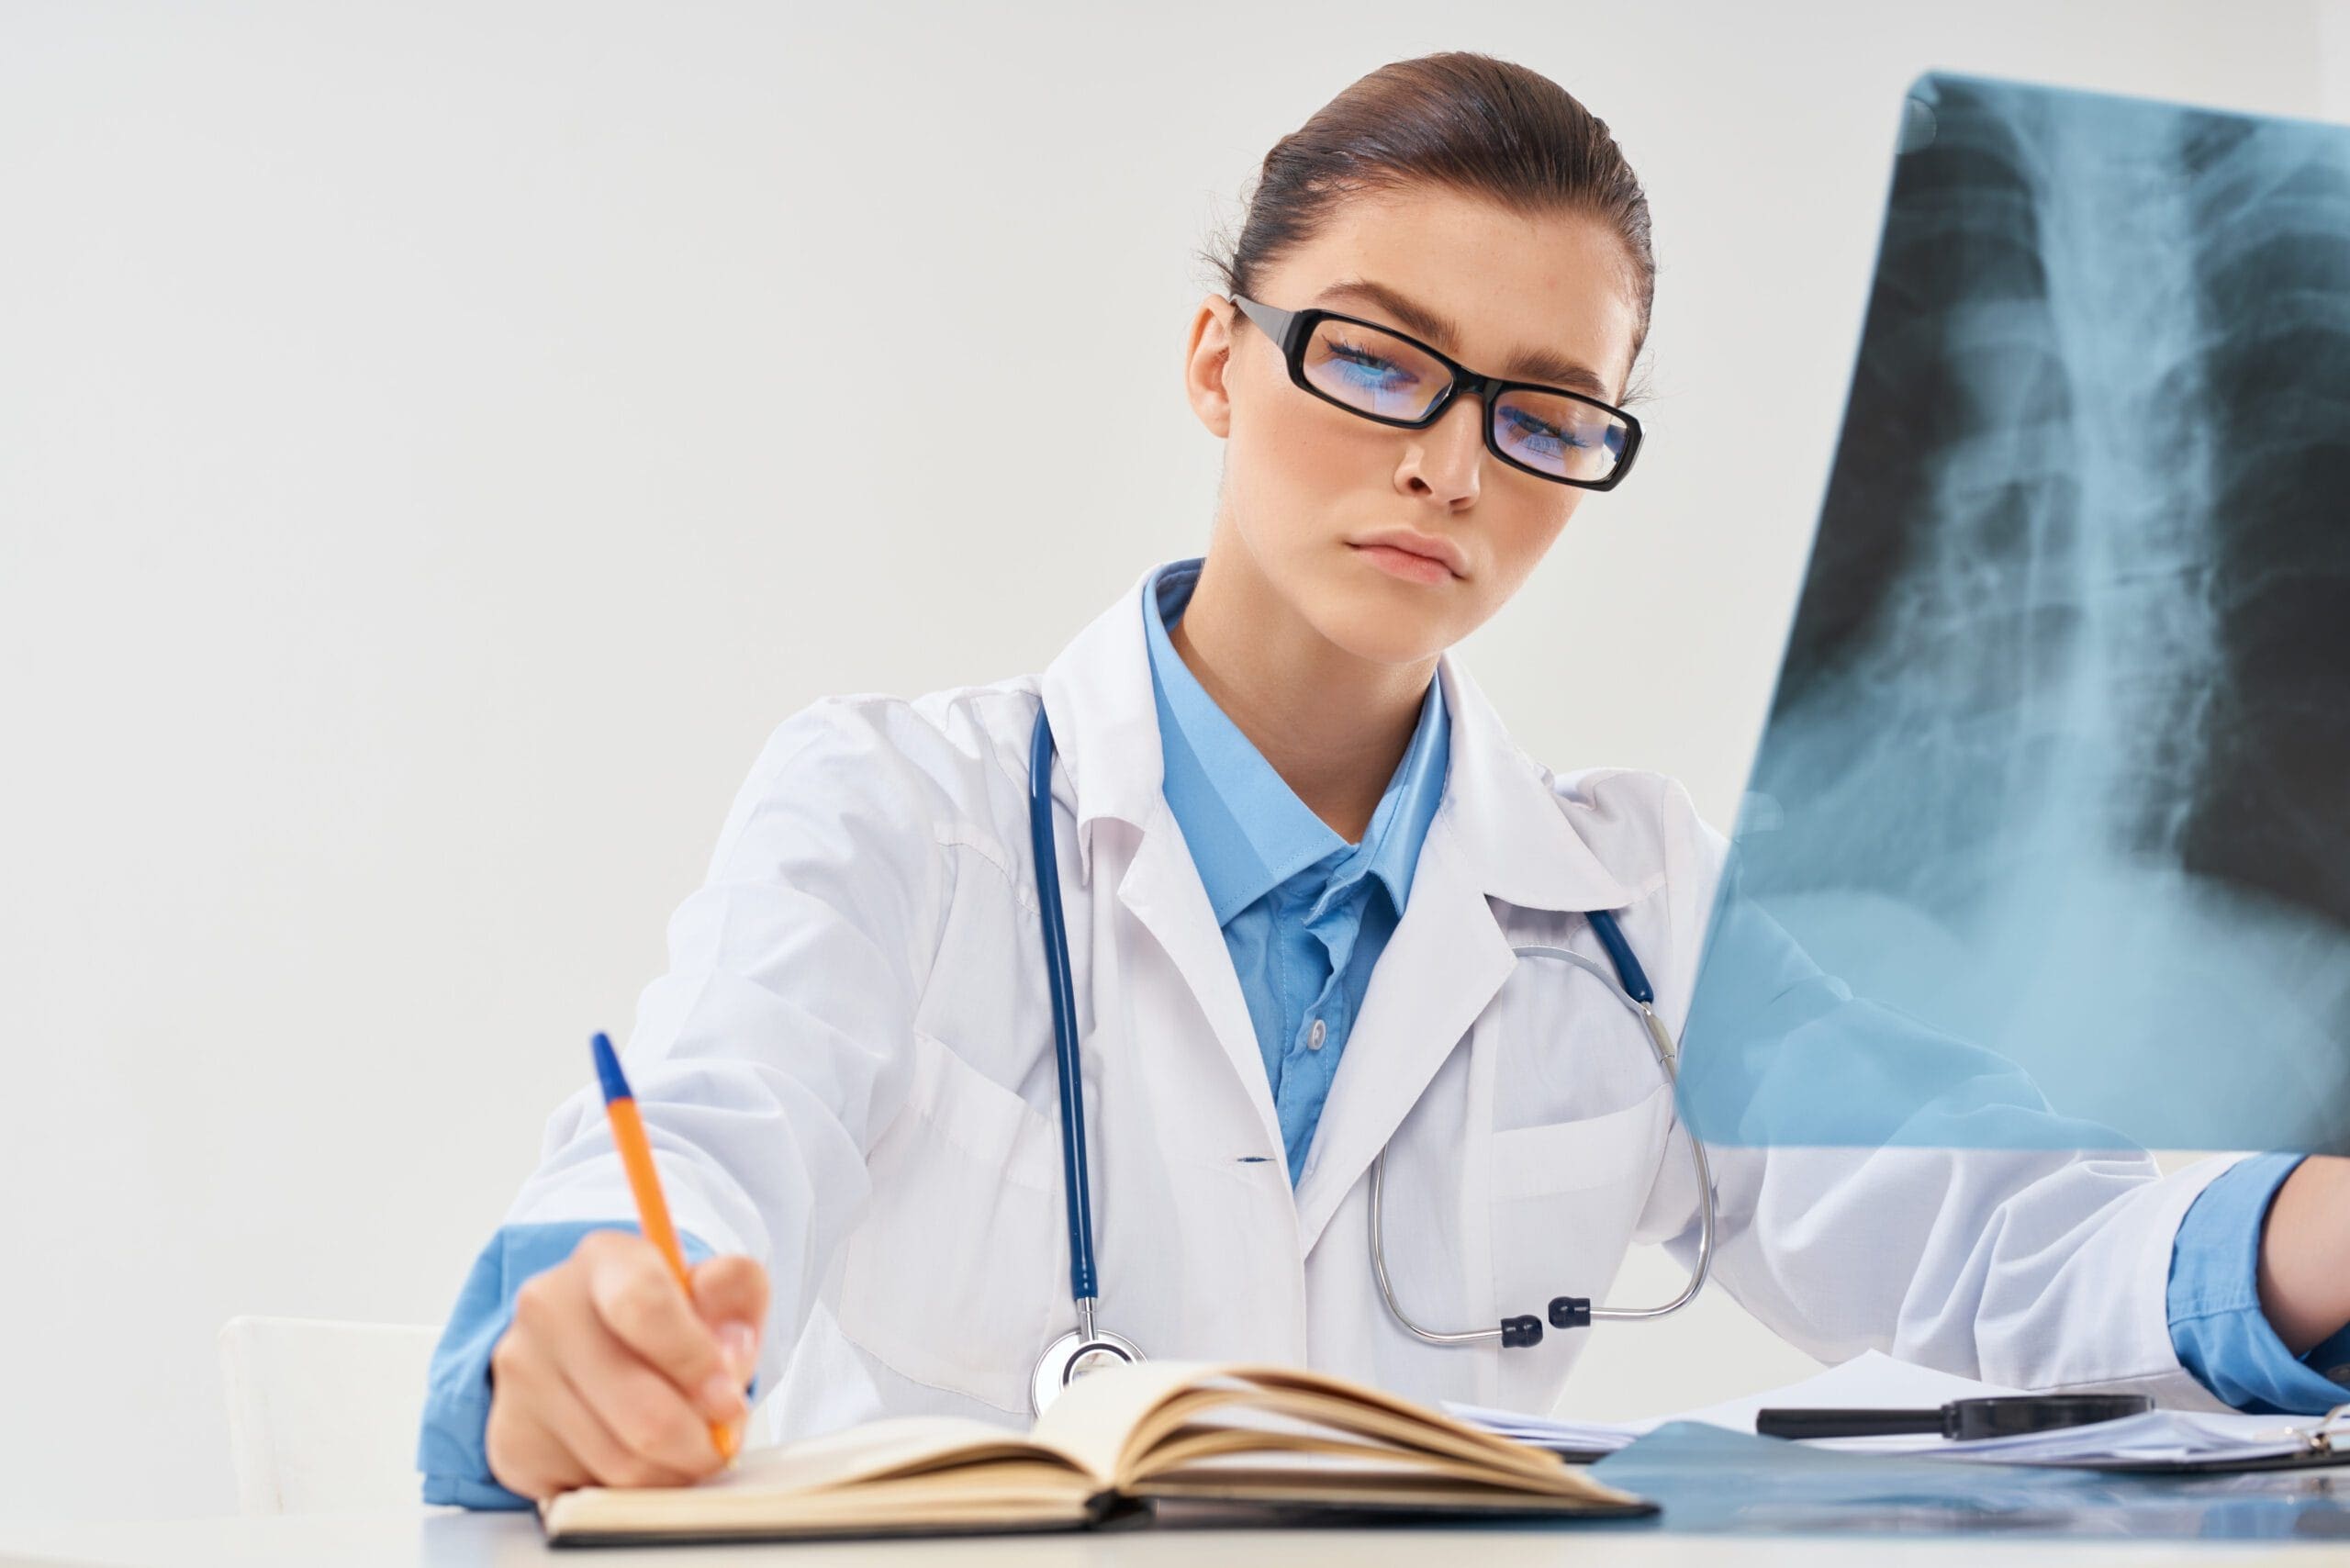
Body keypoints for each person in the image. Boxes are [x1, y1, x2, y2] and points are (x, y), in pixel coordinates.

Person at [416, 51, 2350, 1509]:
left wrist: (2311, 1234)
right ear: (1214, 361)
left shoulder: (1627, 900)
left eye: (1542, 409)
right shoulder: (896, 809)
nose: (1451, 464)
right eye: (1375, 360)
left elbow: (1991, 1229)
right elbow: (694, 1142)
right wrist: (575, 1334)